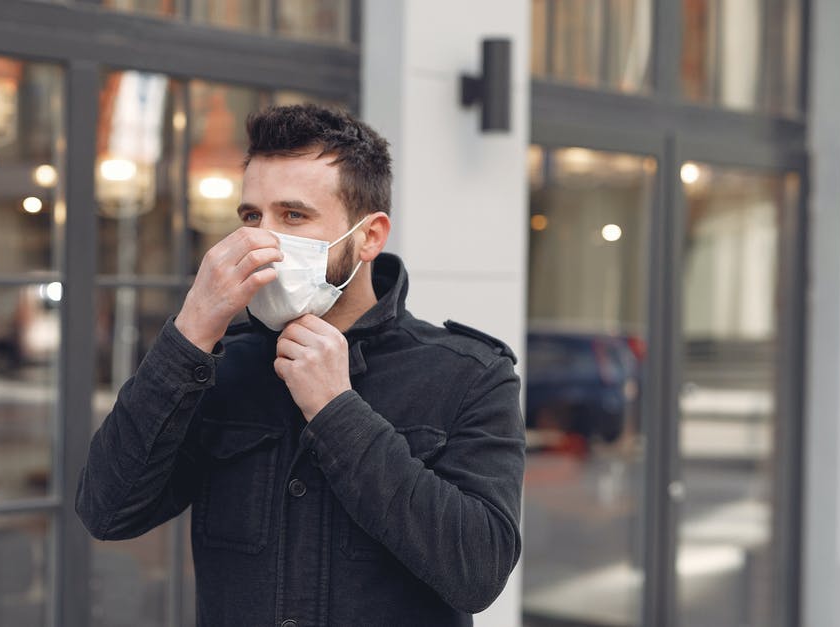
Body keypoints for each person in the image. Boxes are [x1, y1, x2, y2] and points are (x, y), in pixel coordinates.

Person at [77, 104, 524, 626]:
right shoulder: (219, 361)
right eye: (250, 216)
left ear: (369, 236)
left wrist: (338, 411)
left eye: (293, 216)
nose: (261, 241)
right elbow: (108, 511)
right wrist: (190, 332)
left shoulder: (469, 374)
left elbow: (478, 571)